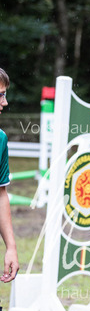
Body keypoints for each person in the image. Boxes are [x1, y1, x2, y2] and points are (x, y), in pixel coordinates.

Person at [0, 68, 19, 283]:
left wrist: (11, 247)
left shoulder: (1, 139)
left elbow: (0, 194)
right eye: (0, 95)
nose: (4, 102)